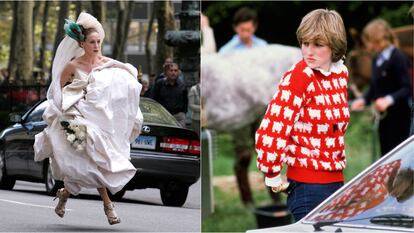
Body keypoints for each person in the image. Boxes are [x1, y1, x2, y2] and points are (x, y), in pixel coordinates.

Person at [33, 12, 143, 225]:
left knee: (90, 164)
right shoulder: (73, 66)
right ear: (82, 43)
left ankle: (64, 194)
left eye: (99, 42)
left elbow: (128, 79)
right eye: (92, 42)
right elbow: (58, 90)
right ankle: (108, 206)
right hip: (75, 120)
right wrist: (73, 101)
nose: (96, 45)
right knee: (88, 159)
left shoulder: (109, 64)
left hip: (100, 121)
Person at [255, 9, 349, 221]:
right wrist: (272, 175)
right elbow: (272, 127)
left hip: (336, 181)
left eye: (317, 44)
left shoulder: (341, 73)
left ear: (334, 45)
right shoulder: (299, 76)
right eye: (305, 43)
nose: (309, 51)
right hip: (307, 186)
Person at [350, 19, 412, 156]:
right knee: (386, 154)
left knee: (398, 154)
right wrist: (363, 100)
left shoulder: (398, 57)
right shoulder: (377, 59)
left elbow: (406, 87)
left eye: (368, 41)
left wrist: (388, 100)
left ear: (377, 39)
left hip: (399, 118)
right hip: (385, 119)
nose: (367, 45)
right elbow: (374, 87)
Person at [152, 63, 188, 127]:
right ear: (166, 72)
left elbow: (185, 100)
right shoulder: (159, 84)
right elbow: (154, 99)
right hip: (163, 115)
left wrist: (183, 112)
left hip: (178, 116)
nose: (173, 73)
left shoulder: (182, 85)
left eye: (175, 70)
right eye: (171, 70)